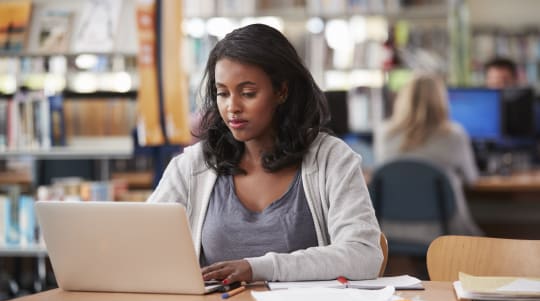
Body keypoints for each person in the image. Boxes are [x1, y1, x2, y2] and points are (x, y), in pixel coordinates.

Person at [148, 24, 382, 284]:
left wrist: (259, 268)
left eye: (248, 93)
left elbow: (364, 255)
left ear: (281, 91)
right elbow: (143, 243)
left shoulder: (331, 159)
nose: (232, 107)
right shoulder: (193, 166)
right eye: (222, 93)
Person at [374, 74, 483, 245]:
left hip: (391, 229)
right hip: (445, 231)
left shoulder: (384, 134)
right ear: (441, 100)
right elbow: (472, 179)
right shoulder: (454, 135)